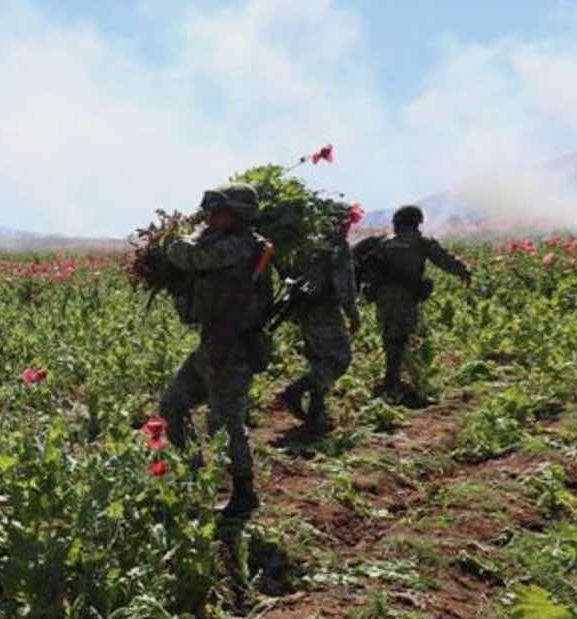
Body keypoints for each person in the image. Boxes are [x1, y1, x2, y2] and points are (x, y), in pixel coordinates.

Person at [157, 183, 274, 521]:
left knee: (224, 423)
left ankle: (243, 492)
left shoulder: (238, 246)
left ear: (238, 215)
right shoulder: (231, 242)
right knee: (172, 405)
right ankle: (192, 474)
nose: (210, 218)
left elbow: (186, 256)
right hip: (213, 345)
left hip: (231, 348)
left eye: (217, 212)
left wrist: (179, 238)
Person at [354, 204, 470, 405]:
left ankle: (393, 381)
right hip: (406, 297)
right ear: (417, 222)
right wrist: (463, 271)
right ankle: (393, 384)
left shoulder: (380, 242)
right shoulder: (422, 242)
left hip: (382, 296)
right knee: (399, 340)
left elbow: (353, 255)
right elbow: (445, 261)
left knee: (390, 337)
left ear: (397, 222)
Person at [277, 210, 362, 433]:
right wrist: (353, 314)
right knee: (339, 359)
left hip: (303, 309)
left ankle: (316, 414)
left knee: (319, 360)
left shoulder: (303, 244)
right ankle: (295, 391)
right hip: (325, 310)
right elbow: (344, 285)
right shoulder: (336, 246)